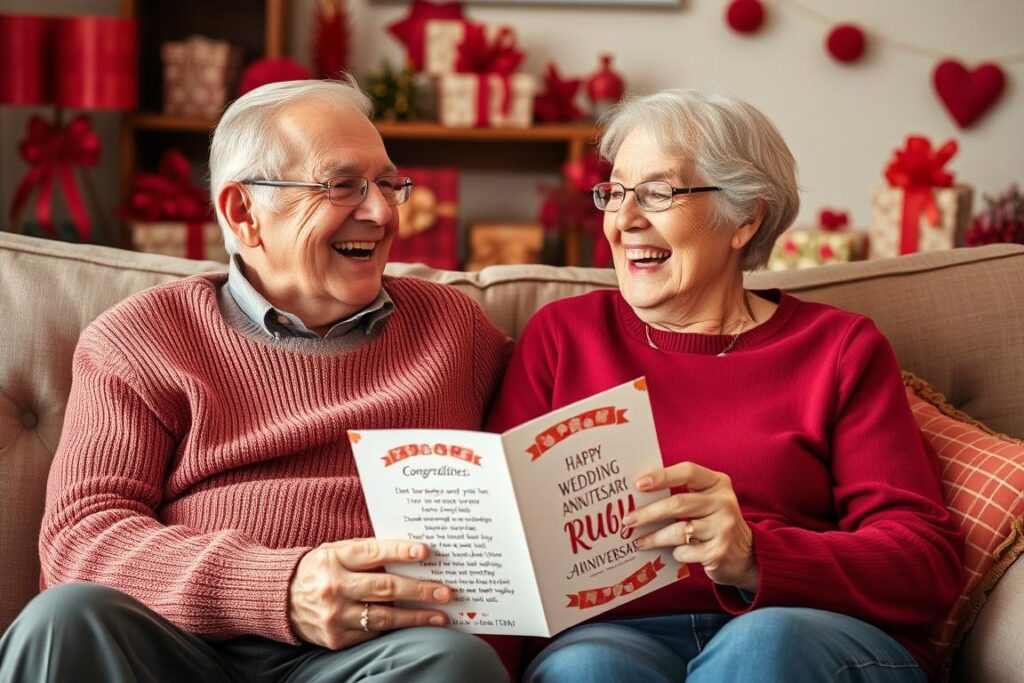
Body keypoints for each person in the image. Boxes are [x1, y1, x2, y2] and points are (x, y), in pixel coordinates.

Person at [0, 78, 511, 683]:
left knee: (454, 662)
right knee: (64, 619)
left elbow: (548, 450)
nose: (381, 212)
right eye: (343, 185)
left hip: (369, 653)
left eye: (387, 184)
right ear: (244, 213)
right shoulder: (140, 338)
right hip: (175, 644)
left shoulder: (455, 329)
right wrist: (281, 588)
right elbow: (82, 539)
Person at [487, 90, 964, 682]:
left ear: (746, 218)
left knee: (762, 645)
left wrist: (755, 555)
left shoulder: (839, 349)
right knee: (586, 668)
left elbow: (924, 563)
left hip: (798, 627)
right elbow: (498, 538)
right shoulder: (563, 336)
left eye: (658, 193)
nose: (625, 219)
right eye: (615, 192)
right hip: (615, 634)